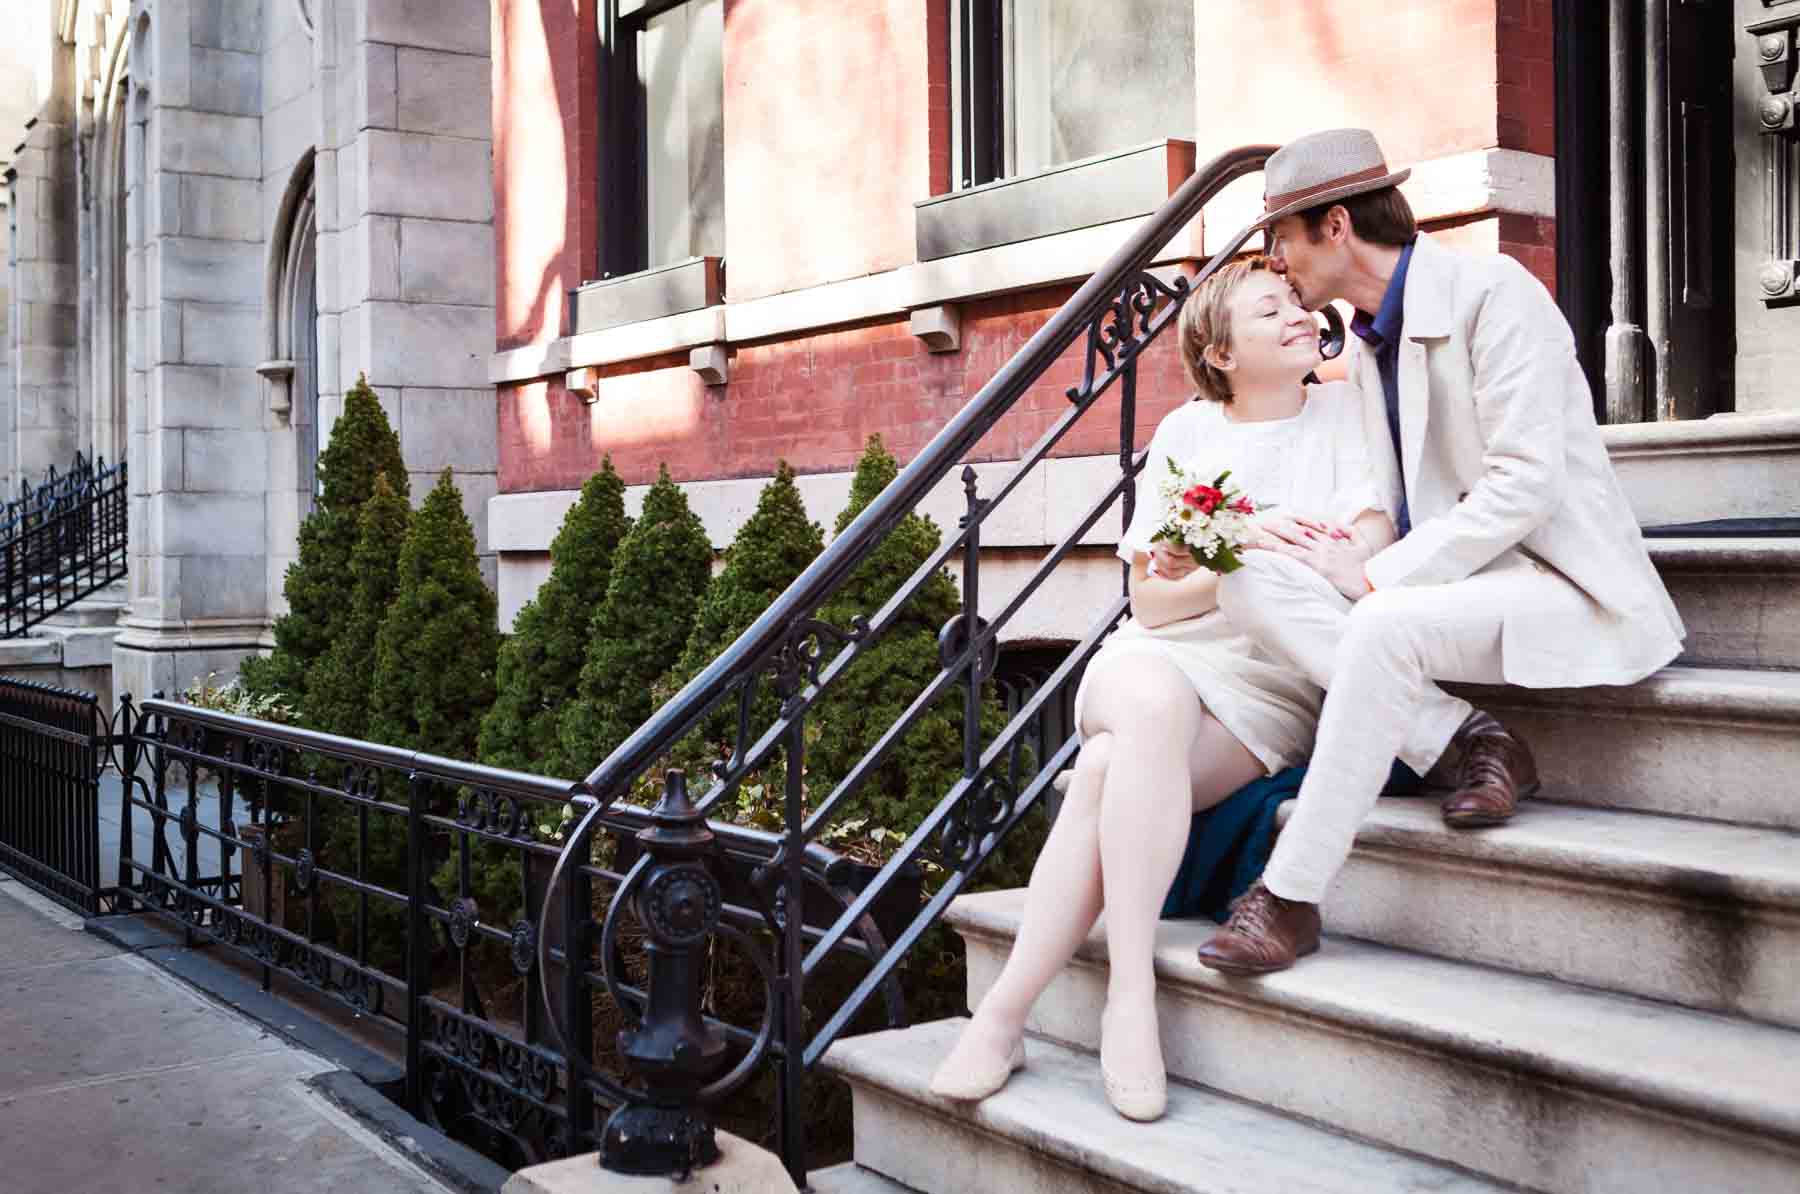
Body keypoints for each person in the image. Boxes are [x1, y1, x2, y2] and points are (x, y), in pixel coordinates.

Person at [1185, 128, 1686, 976]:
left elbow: (1524, 486)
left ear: (1335, 225)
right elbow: (1394, 500)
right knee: (1248, 579)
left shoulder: (1494, 293)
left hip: (1558, 583)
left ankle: (1292, 895)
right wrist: (1327, 549)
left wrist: (1376, 575)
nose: (1277, 264)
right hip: (1448, 584)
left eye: (1281, 239)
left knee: (1382, 627)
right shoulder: (1370, 344)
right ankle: (1467, 738)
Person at [929, 256, 1394, 1123]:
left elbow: (1364, 552)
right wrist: (1241, 554)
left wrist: (1277, 563)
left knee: (1105, 771)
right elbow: (1152, 601)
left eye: (1296, 301)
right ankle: (1132, 991)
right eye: (1270, 310)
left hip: (1269, 686)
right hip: (1158, 659)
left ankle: (1002, 1017)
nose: (1299, 314)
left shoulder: (1345, 410)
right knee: (1141, 707)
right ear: (1220, 351)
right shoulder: (1187, 433)